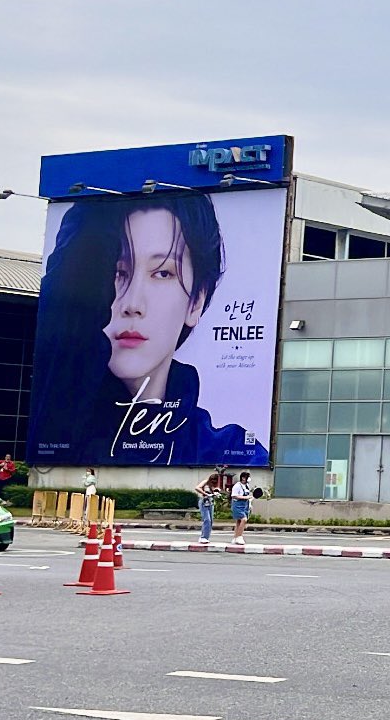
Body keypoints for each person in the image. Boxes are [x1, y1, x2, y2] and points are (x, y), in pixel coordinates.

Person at [29, 194, 265, 467]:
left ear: (196, 301)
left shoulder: (230, 452)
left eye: (163, 273)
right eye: (117, 272)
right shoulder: (55, 430)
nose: (133, 304)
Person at [194, 471, 221, 544]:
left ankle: (206, 537)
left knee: (210, 520)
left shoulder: (215, 485)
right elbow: (197, 488)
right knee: (207, 520)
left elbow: (216, 492)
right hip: (204, 502)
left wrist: (216, 494)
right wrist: (205, 493)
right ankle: (203, 537)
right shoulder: (205, 482)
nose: (214, 481)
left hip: (211, 502)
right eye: (213, 480)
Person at [229, 470, 254, 542]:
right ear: (243, 478)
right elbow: (234, 496)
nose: (249, 479)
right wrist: (245, 497)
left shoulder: (247, 486)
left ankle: (235, 537)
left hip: (245, 505)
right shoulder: (237, 486)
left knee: (239, 521)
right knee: (244, 519)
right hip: (237, 505)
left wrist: (249, 503)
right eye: (247, 477)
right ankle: (239, 537)